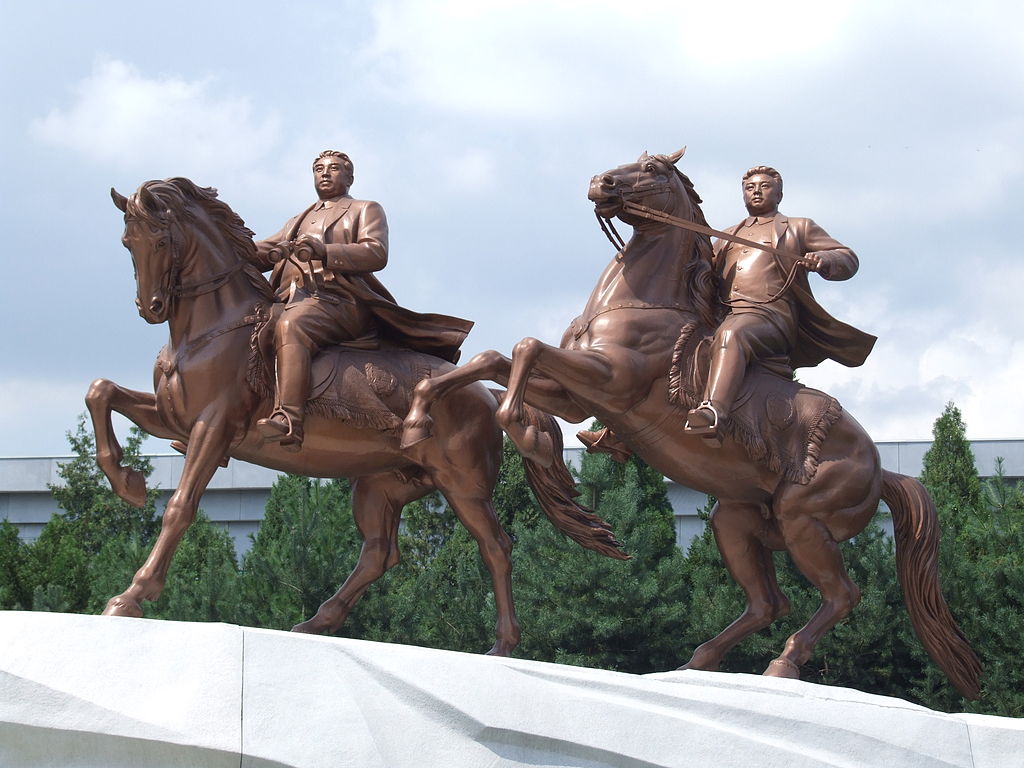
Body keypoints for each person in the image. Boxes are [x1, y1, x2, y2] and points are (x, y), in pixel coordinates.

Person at [250, 150, 471, 450]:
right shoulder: (297, 221)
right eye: (318, 168)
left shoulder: (365, 209)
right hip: (291, 298)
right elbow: (262, 250)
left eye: (334, 168)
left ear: (350, 177)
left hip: (340, 301)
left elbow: (376, 252)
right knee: (242, 326)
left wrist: (324, 251)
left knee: (292, 326)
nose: (325, 173)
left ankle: (289, 419)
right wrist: (227, 245)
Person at [683, 166, 875, 439]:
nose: (756, 191)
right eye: (750, 188)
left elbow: (847, 257)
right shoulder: (726, 236)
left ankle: (714, 412)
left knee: (731, 334)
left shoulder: (799, 227)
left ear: (779, 193)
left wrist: (825, 261)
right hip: (727, 314)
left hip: (771, 317)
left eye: (764, 186)